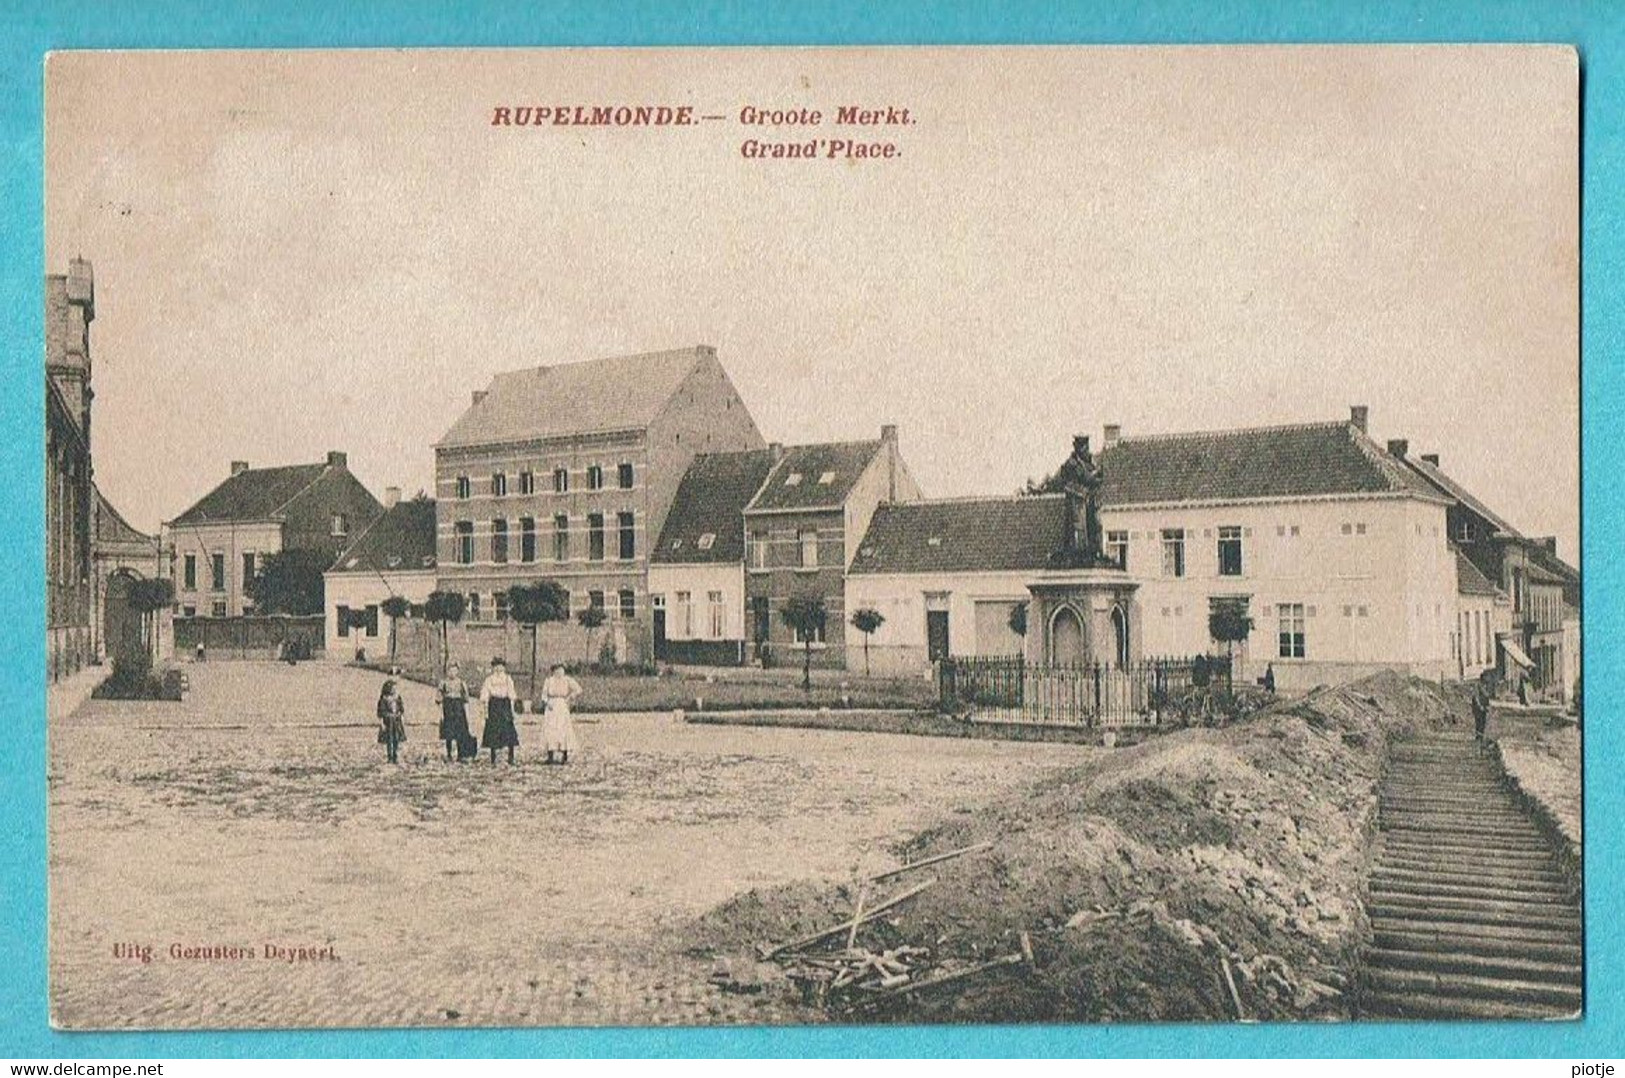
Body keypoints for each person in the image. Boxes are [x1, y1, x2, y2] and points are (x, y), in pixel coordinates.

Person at [540, 663, 584, 765]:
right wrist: (547, 702)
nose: (559, 672)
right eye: (557, 670)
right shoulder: (549, 681)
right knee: (551, 729)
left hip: (562, 706)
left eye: (561, 670)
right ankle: (550, 755)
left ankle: (564, 755)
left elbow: (578, 689)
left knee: (563, 729)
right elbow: (544, 695)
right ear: (553, 671)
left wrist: (569, 698)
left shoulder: (567, 680)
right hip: (551, 706)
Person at [479, 657, 520, 765]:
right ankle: (493, 757)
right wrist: (485, 710)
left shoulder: (507, 679)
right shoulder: (489, 680)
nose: (498, 669)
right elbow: (485, 695)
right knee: (493, 730)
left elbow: (511, 694)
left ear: (504, 668)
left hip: (505, 705)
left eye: (501, 667)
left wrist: (512, 710)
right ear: (493, 668)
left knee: (508, 729)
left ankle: (511, 757)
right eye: (496, 667)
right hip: (494, 705)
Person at [437, 662, 472, 762]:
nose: (452, 673)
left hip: (458, 708)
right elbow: (439, 697)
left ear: (457, 671)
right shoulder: (443, 683)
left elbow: (466, 699)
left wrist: (467, 712)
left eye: (454, 670)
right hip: (448, 707)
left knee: (460, 731)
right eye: (450, 670)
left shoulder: (461, 683)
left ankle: (461, 754)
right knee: (449, 732)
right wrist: (440, 711)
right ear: (447, 671)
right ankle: (449, 754)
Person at [376, 678, 406, 764]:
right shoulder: (384, 699)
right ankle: (390, 757)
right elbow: (381, 712)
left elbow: (401, 709)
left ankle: (395, 755)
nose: (395, 690)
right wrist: (382, 723)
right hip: (388, 722)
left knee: (396, 739)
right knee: (389, 740)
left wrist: (401, 718)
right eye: (393, 688)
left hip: (396, 721)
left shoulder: (397, 697)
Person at [1471, 669, 1498, 741]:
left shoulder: (1486, 685)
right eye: (1487, 677)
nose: (1489, 678)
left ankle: (1481, 737)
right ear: (1484, 677)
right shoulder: (1477, 685)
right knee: (1479, 722)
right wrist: (1480, 706)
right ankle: (1478, 737)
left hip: (1484, 707)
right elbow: (1476, 697)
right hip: (1478, 707)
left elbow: (1488, 696)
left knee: (1483, 722)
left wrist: (1487, 706)